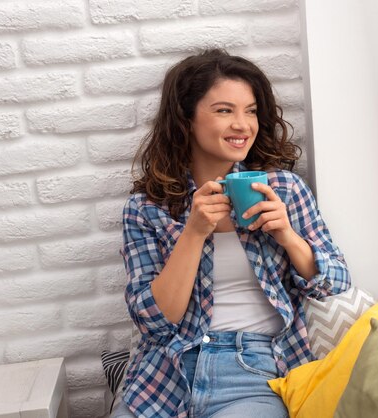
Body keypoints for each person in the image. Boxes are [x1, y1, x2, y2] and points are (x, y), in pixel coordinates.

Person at [112, 49, 351, 418]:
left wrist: (287, 234)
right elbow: (155, 322)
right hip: (166, 374)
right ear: (186, 119)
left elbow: (335, 281)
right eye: (225, 110)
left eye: (251, 111)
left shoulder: (284, 190)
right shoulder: (146, 209)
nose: (243, 125)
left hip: (253, 372)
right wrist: (193, 233)